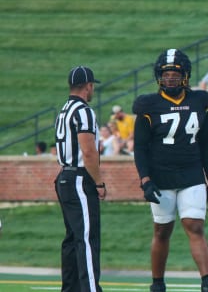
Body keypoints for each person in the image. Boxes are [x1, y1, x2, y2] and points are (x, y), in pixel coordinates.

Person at [132, 49, 208, 292]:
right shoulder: (148, 106)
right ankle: (158, 283)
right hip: (160, 175)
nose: (170, 78)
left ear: (185, 75)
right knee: (162, 230)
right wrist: (145, 180)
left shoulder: (199, 101)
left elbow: (206, 145)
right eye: (166, 74)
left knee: (195, 226)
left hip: (191, 173)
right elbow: (140, 148)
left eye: (175, 73)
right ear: (158, 76)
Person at [55, 65, 105, 292]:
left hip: (64, 176)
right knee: (86, 238)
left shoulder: (64, 109)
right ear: (89, 86)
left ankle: (71, 289)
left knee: (72, 240)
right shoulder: (83, 111)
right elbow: (88, 151)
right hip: (79, 179)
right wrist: (99, 182)